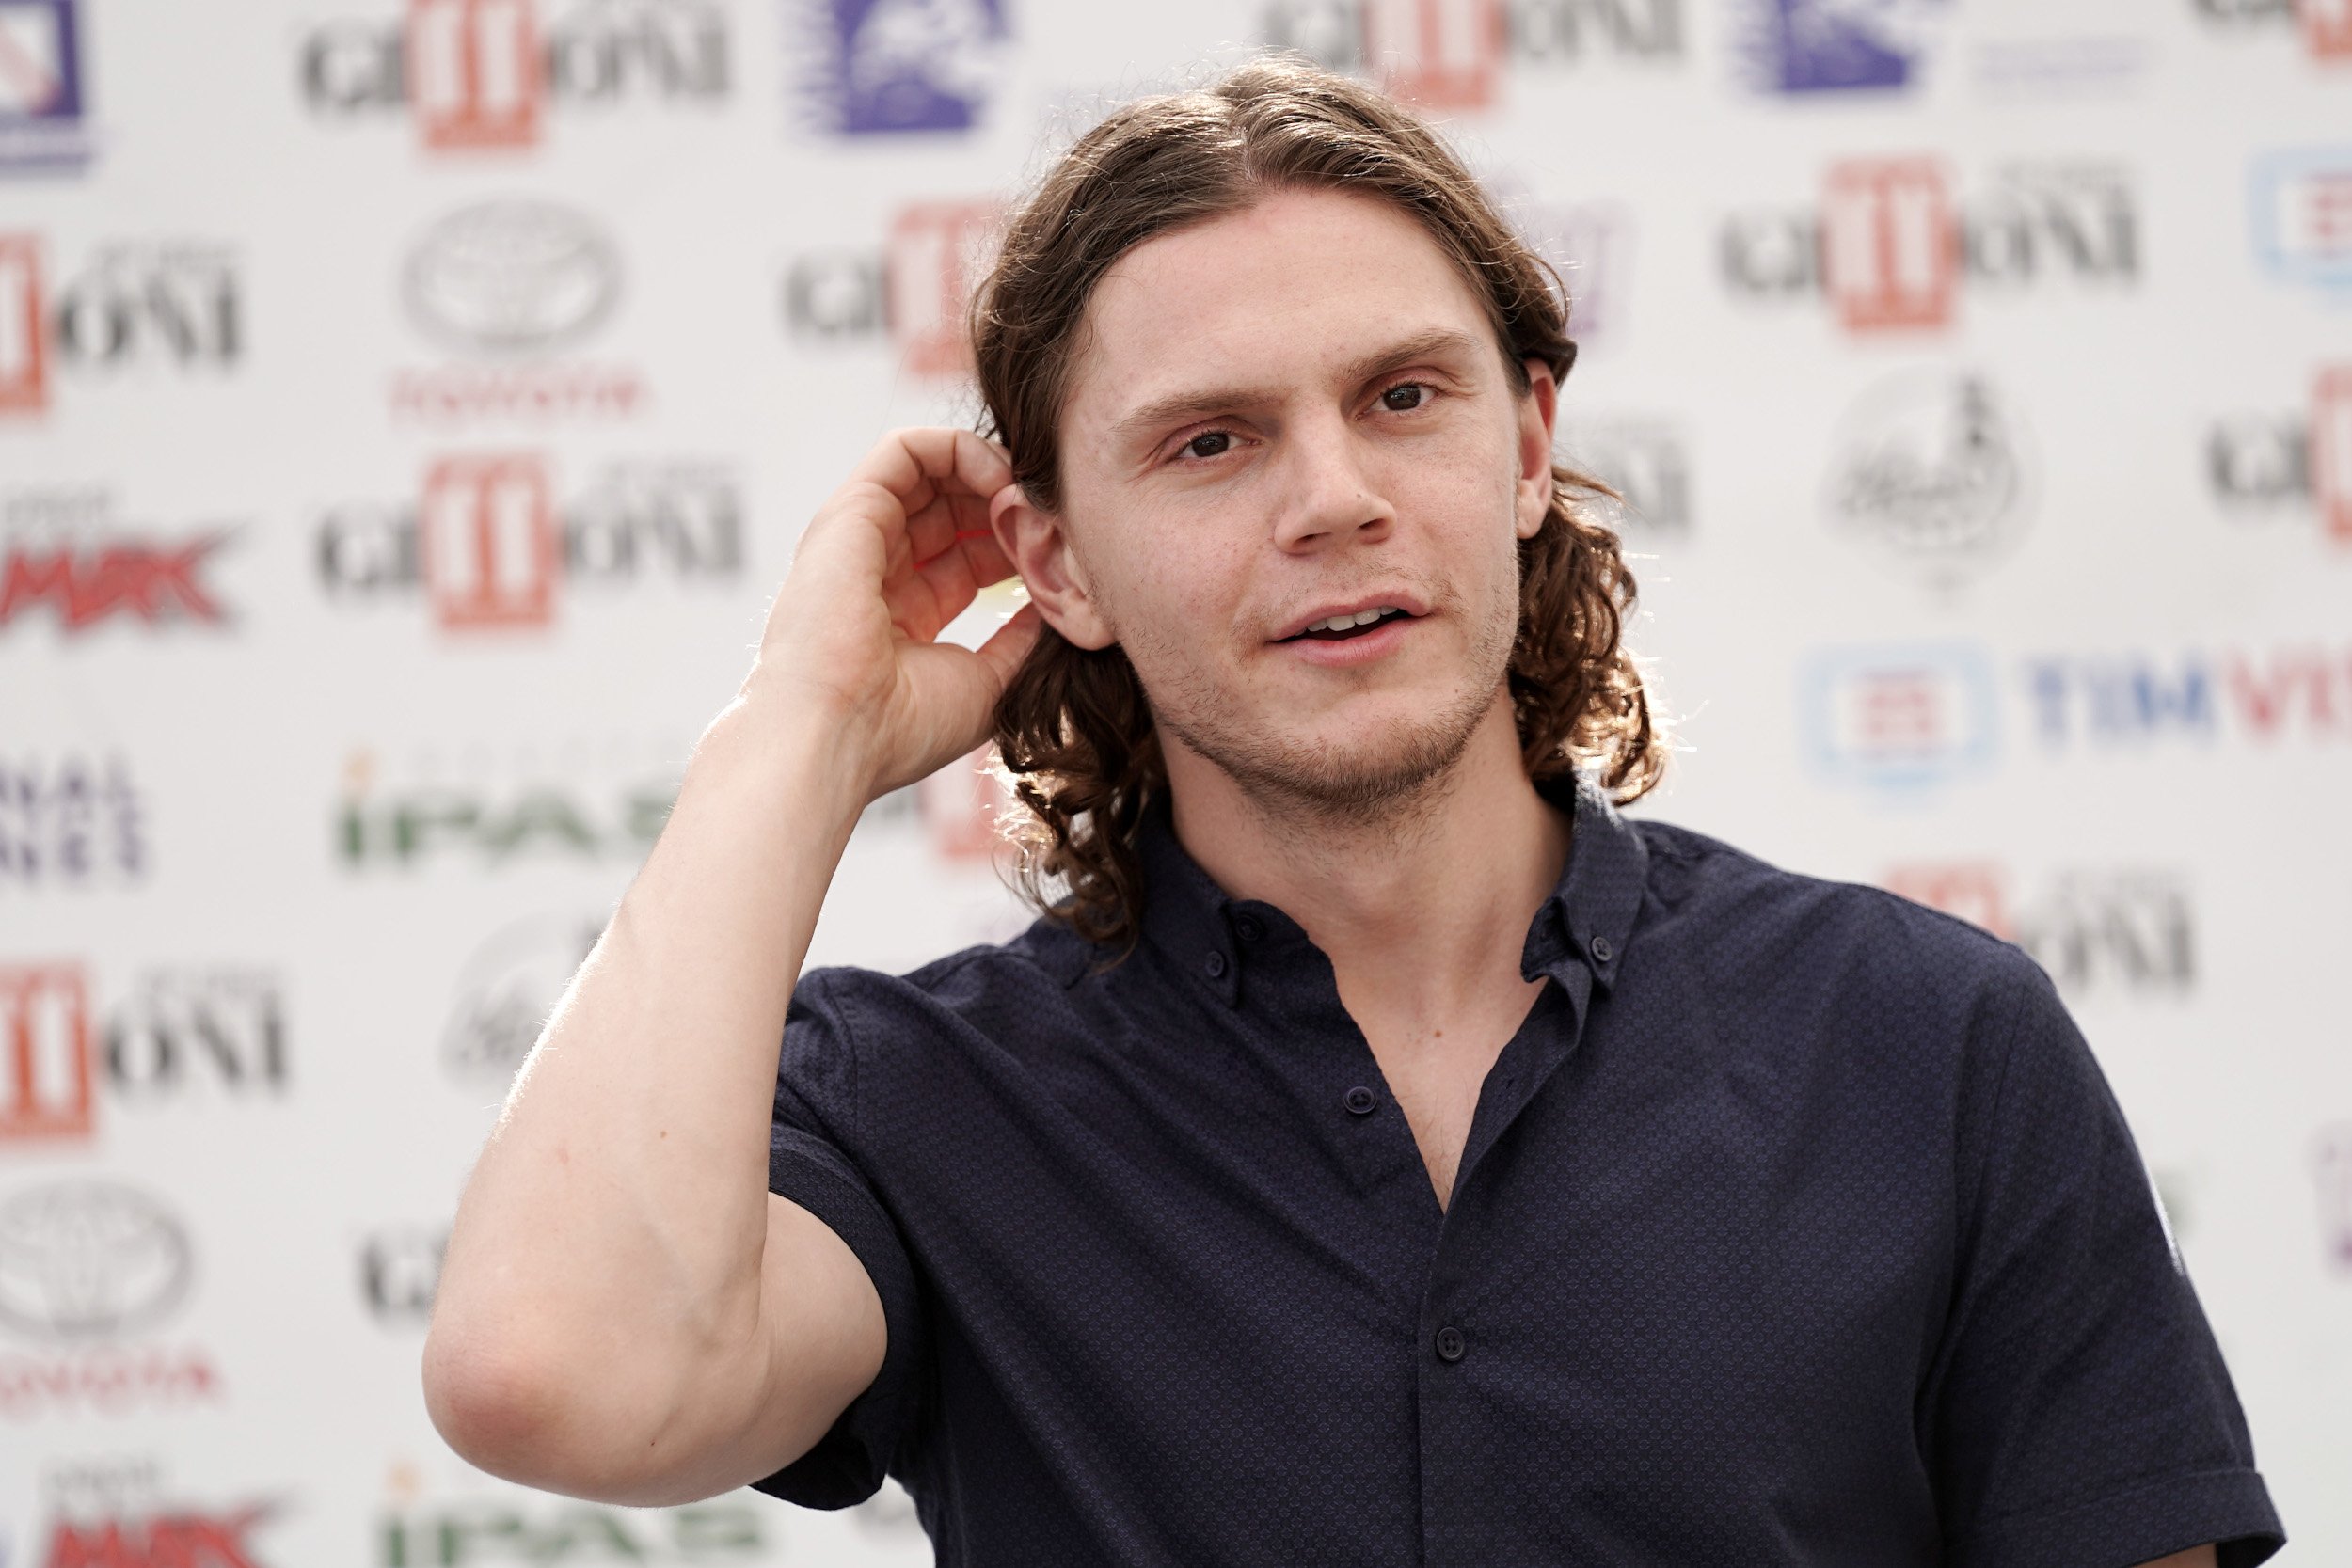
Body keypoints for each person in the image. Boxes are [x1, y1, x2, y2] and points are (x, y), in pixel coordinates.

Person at [421, 56, 2284, 1568]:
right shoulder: (920, 1107)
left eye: (1401, 397)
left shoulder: (1923, 1042)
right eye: (1208, 440)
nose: (1331, 499)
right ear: (1050, 560)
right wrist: (796, 730)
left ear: (1527, 448)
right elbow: (550, 1381)